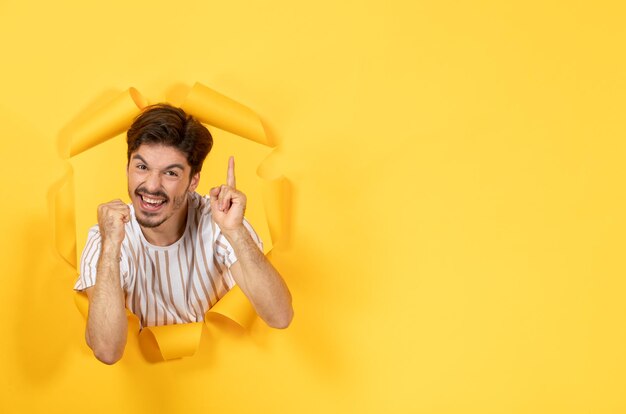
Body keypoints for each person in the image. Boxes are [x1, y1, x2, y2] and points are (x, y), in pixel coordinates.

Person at [74, 104, 293, 365]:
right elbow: (107, 350)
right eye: (142, 167)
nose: (152, 186)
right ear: (128, 168)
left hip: (224, 380)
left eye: (170, 173)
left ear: (193, 181)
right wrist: (110, 247)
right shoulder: (106, 237)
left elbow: (280, 316)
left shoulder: (219, 223)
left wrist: (235, 231)